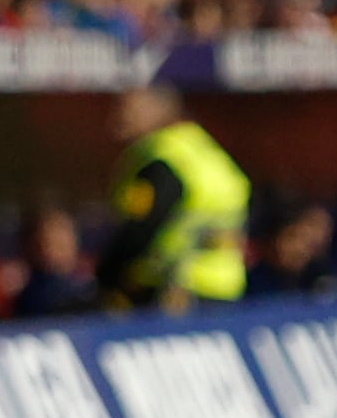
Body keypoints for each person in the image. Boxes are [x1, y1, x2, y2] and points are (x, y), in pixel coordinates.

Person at [94, 84, 251, 315]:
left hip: (173, 292)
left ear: (158, 109)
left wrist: (106, 278)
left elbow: (141, 229)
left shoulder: (161, 158)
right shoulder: (206, 150)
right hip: (223, 288)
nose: (117, 117)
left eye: (127, 108)